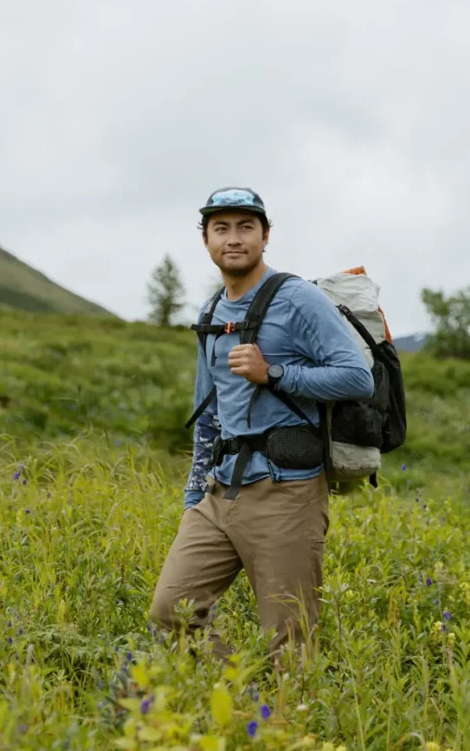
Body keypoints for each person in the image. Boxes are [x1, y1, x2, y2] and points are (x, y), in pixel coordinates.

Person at [149, 187, 374, 657]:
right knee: (172, 612)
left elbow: (358, 377)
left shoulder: (297, 299)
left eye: (246, 227)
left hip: (287, 493)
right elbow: (207, 414)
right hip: (219, 493)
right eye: (222, 228)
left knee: (289, 642)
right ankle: (240, 703)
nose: (234, 238)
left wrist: (273, 373)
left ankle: (289, 725)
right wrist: (194, 498)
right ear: (206, 239)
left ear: (265, 236)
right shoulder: (211, 311)